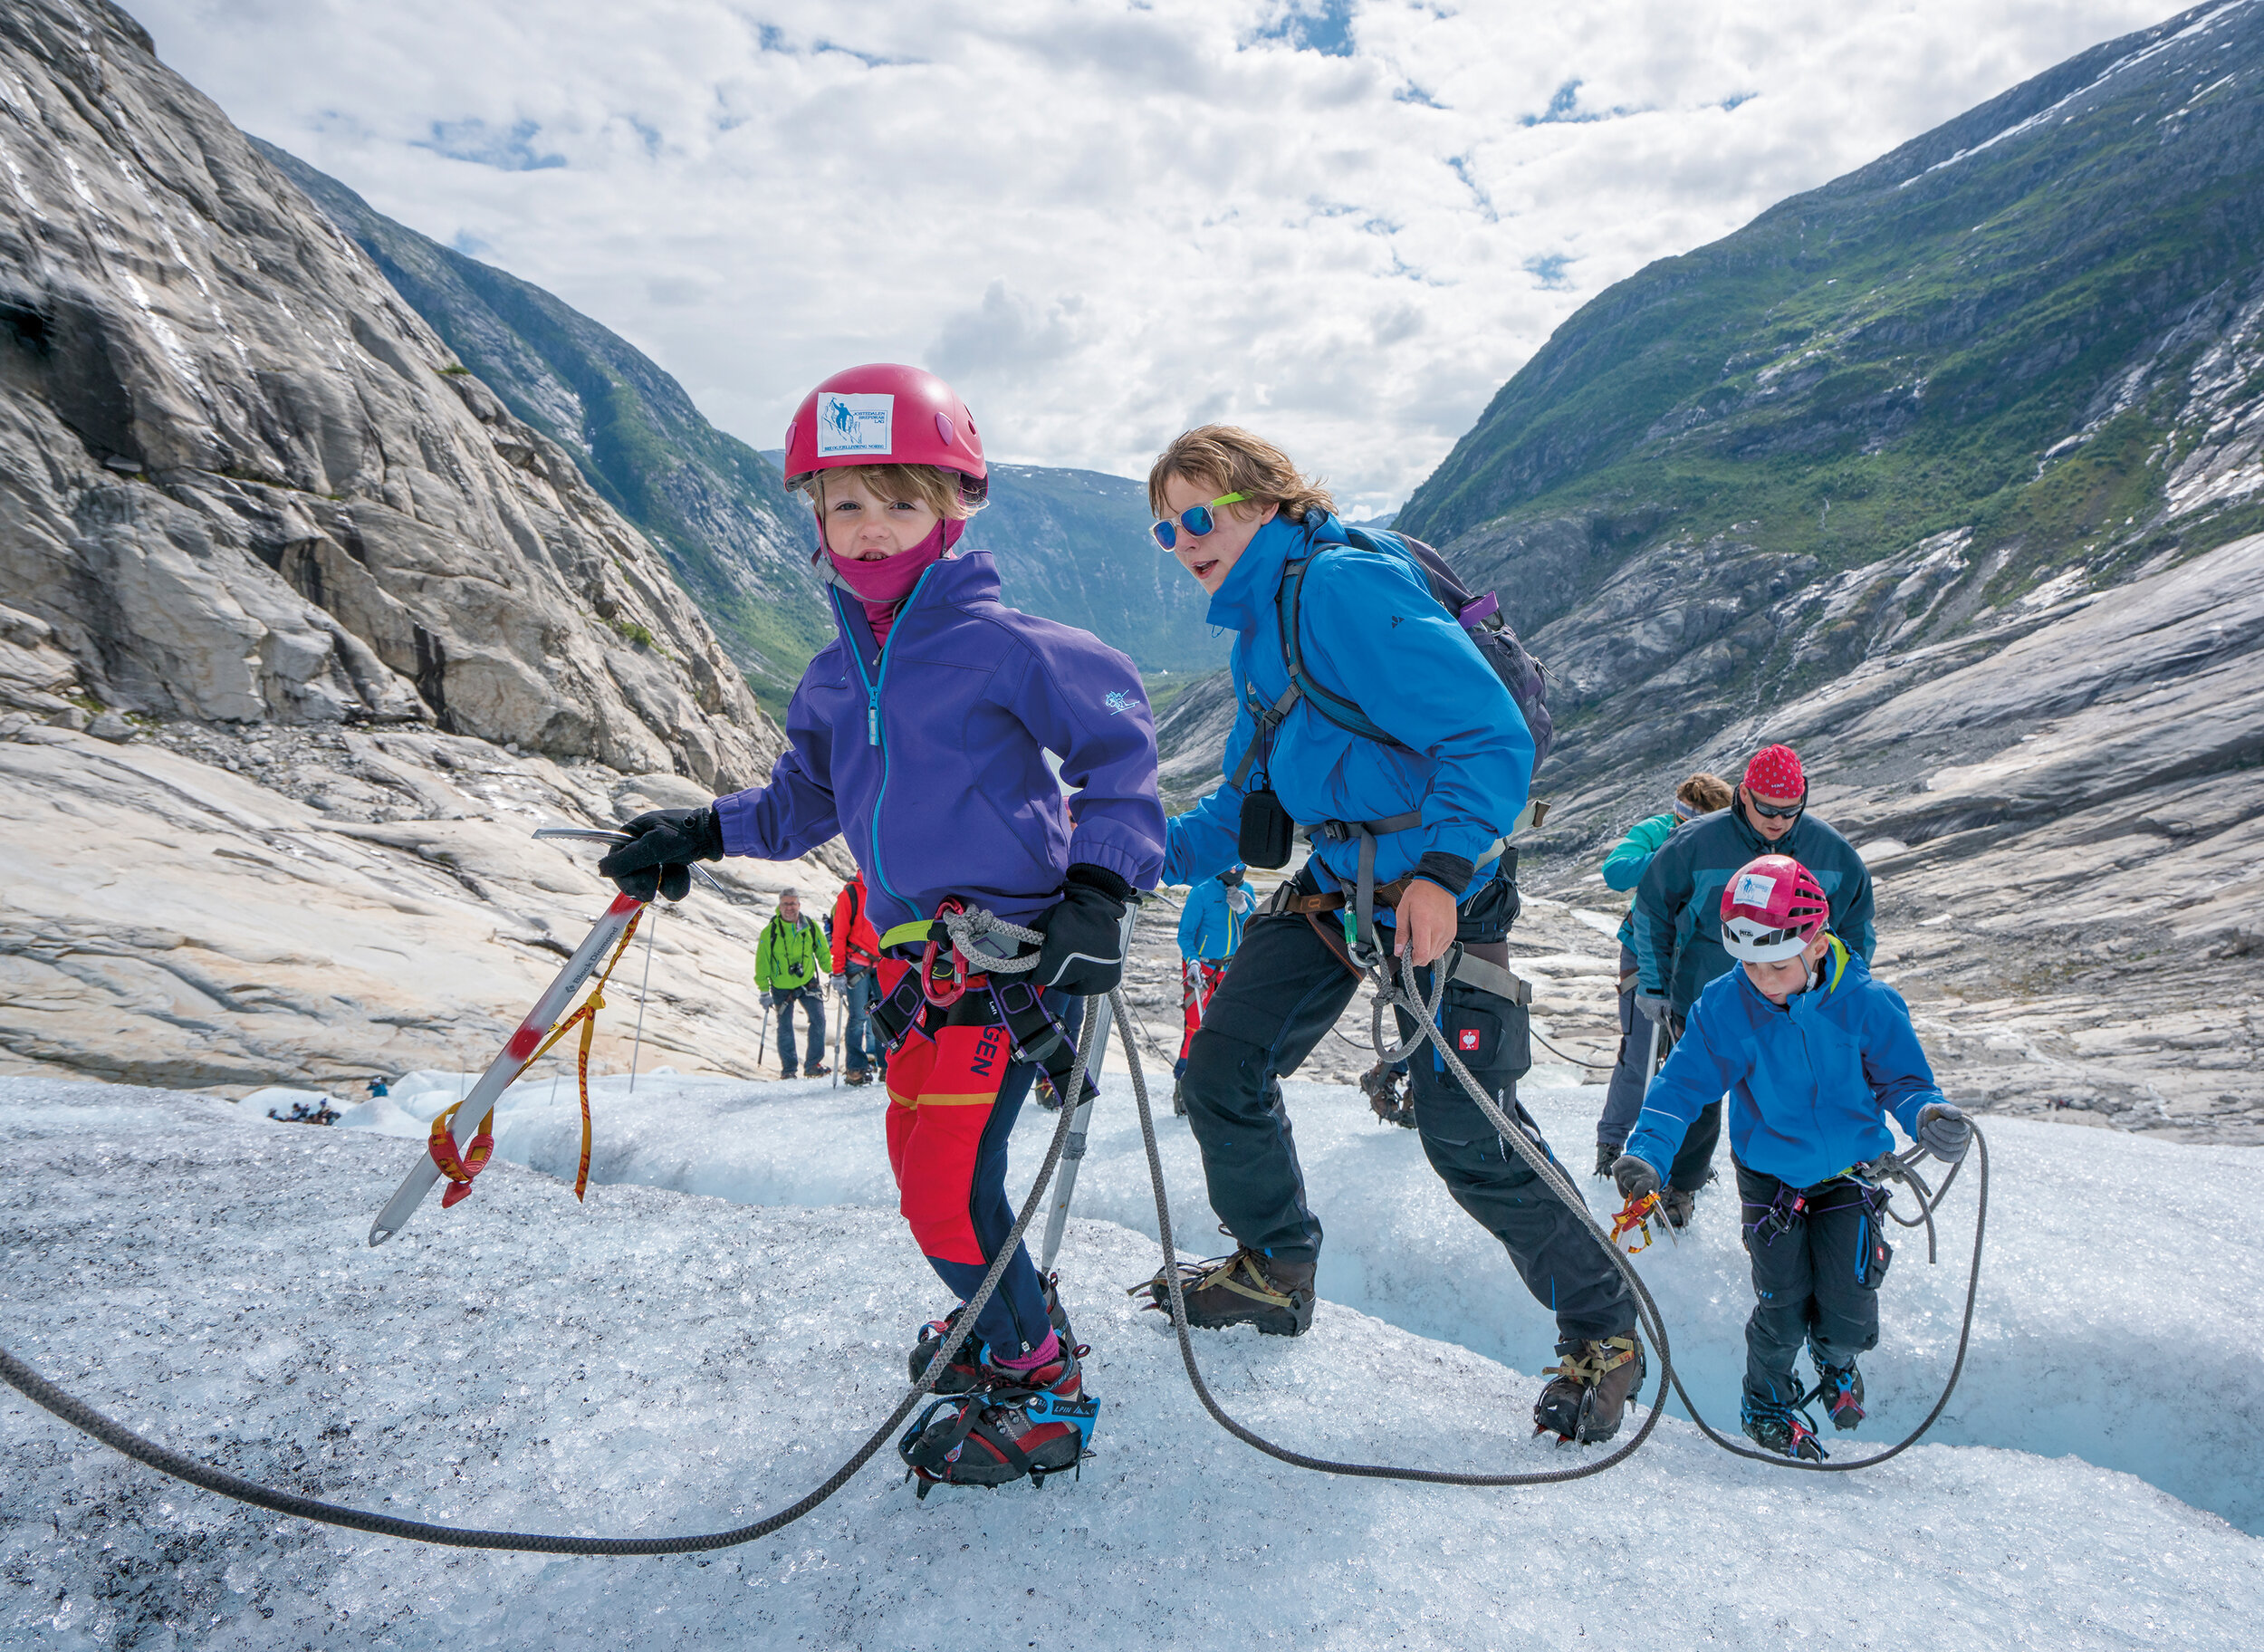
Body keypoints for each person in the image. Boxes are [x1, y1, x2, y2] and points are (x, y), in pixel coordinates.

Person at [596, 364, 1163, 1495]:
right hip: (913, 967)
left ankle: (1039, 1386)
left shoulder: (1006, 646)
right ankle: (1006, 1322)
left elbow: (1117, 753)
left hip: (1006, 960)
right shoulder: (827, 677)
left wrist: (1100, 891)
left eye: (900, 502)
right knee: (932, 1177)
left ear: (953, 510)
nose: (869, 530)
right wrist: (700, 830)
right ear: (814, 513)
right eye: (845, 503)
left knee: (947, 1188)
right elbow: (805, 800)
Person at [1142, 424, 1645, 1445]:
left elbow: (1486, 734)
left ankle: (1605, 1336)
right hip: (1339, 889)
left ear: (1268, 503)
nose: (1184, 539)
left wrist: (1447, 870)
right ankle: (1275, 1269)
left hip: (1440, 891)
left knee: (1468, 1131)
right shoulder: (1259, 636)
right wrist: (1113, 849)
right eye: (1165, 529)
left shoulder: (1335, 591)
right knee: (1223, 1066)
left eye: (1200, 514)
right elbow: (1239, 811)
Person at [1612, 855, 1969, 1459]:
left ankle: (1837, 1362)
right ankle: (1766, 1406)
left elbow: (1904, 1083)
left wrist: (1927, 1116)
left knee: (1849, 1306)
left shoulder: (1867, 1004)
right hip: (1771, 1179)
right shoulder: (1726, 1007)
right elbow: (1681, 1087)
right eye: (1748, 964)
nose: (1762, 979)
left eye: (1777, 965)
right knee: (1781, 1306)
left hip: (1850, 1176)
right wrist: (1648, 1153)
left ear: (1817, 941)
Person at [1627, 744, 1875, 1218]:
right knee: (1697, 1098)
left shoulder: (1832, 852)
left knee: (1785, 1099)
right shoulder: (1695, 843)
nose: (1777, 820)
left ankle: (1779, 1201)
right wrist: (1654, 985)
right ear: (1743, 794)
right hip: (1706, 996)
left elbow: (1855, 927)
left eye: (1789, 811)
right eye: (1765, 808)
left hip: (1795, 1004)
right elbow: (1652, 908)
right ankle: (1680, 1187)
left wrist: (1845, 993)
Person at [1591, 773, 1734, 1200]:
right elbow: (1616, 872)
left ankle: (1686, 1159)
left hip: (1698, 960)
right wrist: (1675, 853)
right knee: (1640, 1057)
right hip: (1646, 953)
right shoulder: (1656, 833)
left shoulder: (1728, 843)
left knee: (1693, 1062)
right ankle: (1612, 1145)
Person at [1172, 864, 1252, 1115]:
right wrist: (1192, 961)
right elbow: (1185, 935)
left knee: (1229, 1030)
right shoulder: (1202, 891)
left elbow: (1252, 929)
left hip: (1231, 969)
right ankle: (1184, 1087)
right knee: (1195, 1028)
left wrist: (1243, 910)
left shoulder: (1246, 891)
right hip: (1202, 970)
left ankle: (1220, 1086)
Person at [755, 888, 830, 1080]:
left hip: (808, 982)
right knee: (785, 1026)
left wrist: (833, 972)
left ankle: (813, 1064)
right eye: (786, 904)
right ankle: (789, 1070)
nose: (789, 908)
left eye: (793, 903)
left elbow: (822, 952)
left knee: (819, 1020)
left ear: (799, 905)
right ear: (779, 907)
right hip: (781, 986)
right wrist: (764, 991)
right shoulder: (770, 932)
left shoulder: (810, 927)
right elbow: (762, 962)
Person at [830, 871, 885, 1087]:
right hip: (858, 964)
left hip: (879, 963)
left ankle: (884, 1066)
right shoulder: (850, 894)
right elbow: (839, 935)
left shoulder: (881, 889)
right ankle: (856, 1069)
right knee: (859, 1018)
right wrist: (838, 971)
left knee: (883, 1016)